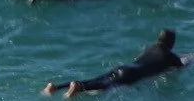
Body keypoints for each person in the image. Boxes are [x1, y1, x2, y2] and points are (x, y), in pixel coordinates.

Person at [44, 28, 184, 96]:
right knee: (105, 85)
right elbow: (181, 66)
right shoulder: (170, 56)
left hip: (125, 67)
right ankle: (78, 87)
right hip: (132, 75)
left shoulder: (150, 47)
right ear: (171, 43)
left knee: (96, 79)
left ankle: (56, 87)